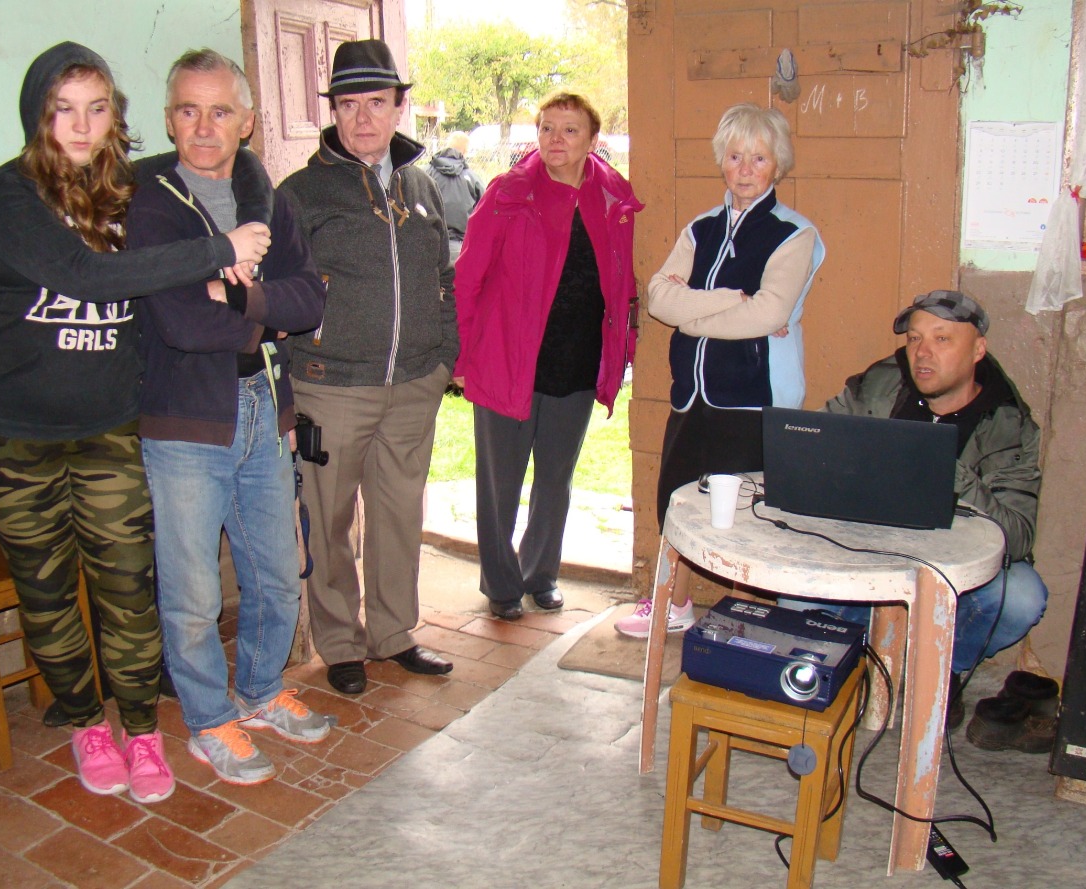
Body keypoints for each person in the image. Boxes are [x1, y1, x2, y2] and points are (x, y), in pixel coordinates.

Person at [0, 42, 270, 803]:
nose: (80, 125)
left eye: (96, 108)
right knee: (47, 592)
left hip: (106, 425)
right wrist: (218, 249)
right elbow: (85, 275)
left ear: (115, 117)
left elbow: (228, 157)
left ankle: (140, 729)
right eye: (62, 109)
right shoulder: (6, 193)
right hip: (8, 434)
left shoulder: (130, 188)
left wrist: (256, 212)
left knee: (129, 585)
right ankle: (83, 723)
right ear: (37, 114)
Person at [127, 48, 329, 786]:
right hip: (185, 422)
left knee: (276, 574)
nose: (204, 126)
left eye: (220, 111)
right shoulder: (150, 202)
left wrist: (236, 296)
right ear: (170, 119)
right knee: (193, 594)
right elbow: (179, 323)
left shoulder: (266, 199)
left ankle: (260, 690)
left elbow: (311, 299)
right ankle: (210, 720)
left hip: (263, 410)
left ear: (247, 121)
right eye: (189, 110)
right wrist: (265, 316)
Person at [279, 39, 457, 696]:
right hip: (331, 388)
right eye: (349, 104)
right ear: (333, 111)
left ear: (398, 106)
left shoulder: (422, 185)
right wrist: (294, 379)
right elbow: (279, 292)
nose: (363, 118)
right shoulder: (299, 194)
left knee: (398, 516)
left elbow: (442, 277)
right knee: (328, 520)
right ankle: (339, 643)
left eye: (376, 103)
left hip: (412, 385)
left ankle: (392, 633)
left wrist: (442, 357)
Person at [614, 103, 824, 638]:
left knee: (747, 517)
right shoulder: (701, 228)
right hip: (693, 395)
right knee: (677, 502)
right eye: (735, 157)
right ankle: (674, 603)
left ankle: (747, 618)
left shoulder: (794, 234)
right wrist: (730, 300)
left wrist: (695, 313)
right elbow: (660, 298)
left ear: (778, 165)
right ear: (721, 161)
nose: (745, 169)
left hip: (754, 397)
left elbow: (769, 314)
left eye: (758, 158)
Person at [811, 290, 1048, 736]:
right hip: (867, 553)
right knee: (795, 595)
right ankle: (869, 659)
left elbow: (1017, 537)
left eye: (942, 339)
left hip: (952, 573)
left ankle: (940, 667)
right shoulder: (879, 385)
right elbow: (816, 445)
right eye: (915, 338)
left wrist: (949, 473)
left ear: (977, 350)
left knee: (1021, 596)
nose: (923, 353)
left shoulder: (1007, 424)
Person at [454, 93, 643, 622]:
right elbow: (468, 277)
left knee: (556, 478)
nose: (556, 139)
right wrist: (463, 355)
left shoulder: (613, 197)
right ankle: (501, 584)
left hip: (575, 360)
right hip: (508, 358)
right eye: (547, 128)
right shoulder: (507, 193)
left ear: (593, 140)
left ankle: (540, 574)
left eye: (570, 130)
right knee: (501, 482)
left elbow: (621, 281)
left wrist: (622, 348)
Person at [427, 131, 485, 263]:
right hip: (463, 248)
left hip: (430, 245)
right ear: (464, 151)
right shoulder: (473, 179)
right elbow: (486, 214)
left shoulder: (425, 173)